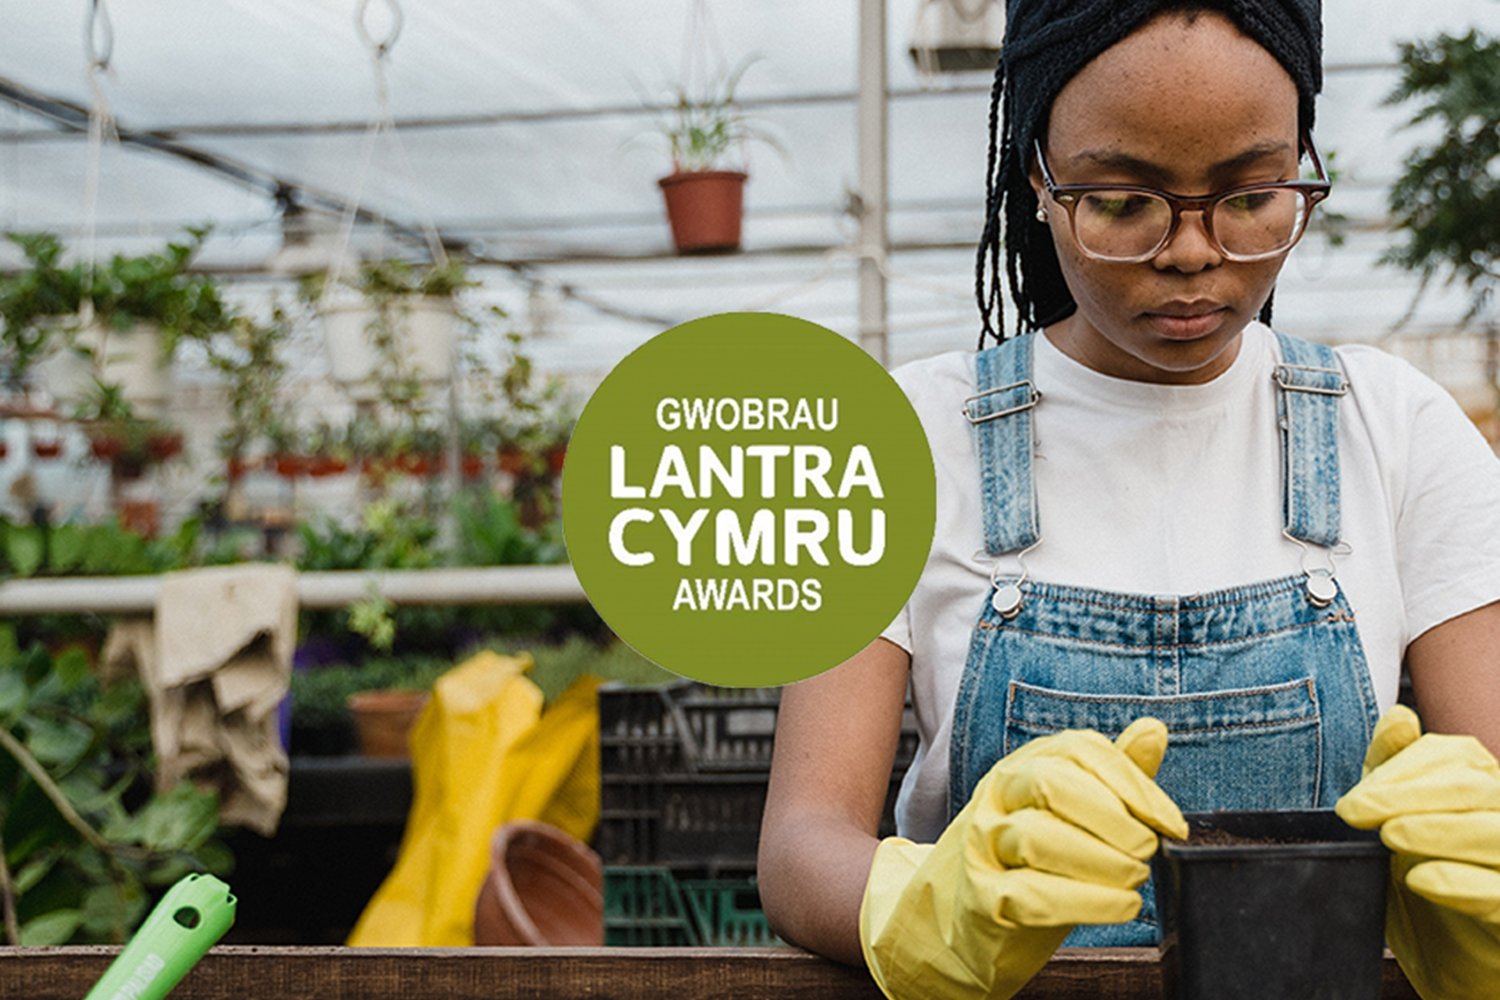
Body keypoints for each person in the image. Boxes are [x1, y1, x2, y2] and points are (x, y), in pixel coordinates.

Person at [757, 2, 1500, 999]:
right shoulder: (904, 439)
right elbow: (804, 841)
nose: (1192, 251)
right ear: (1037, 178)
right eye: (1121, 202)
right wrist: (922, 901)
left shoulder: (1398, 429)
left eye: (1250, 195)